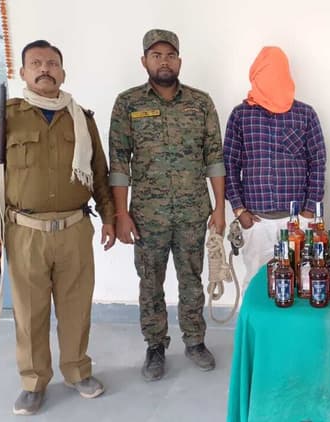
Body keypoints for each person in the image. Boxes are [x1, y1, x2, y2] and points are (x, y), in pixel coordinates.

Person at [0, 40, 115, 415]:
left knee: (75, 308)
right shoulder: (5, 117)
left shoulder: (81, 118)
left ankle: (77, 370)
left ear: (62, 72)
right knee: (30, 312)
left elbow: (99, 173)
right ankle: (34, 381)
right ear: (23, 73)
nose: (44, 69)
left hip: (74, 229)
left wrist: (110, 217)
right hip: (25, 232)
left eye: (52, 63)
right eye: (36, 63)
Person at [108, 29, 225, 381]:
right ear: (144, 61)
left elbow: (214, 158)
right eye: (156, 55)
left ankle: (195, 341)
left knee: (192, 280)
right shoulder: (128, 103)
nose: (164, 61)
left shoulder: (200, 103)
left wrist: (219, 208)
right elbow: (119, 163)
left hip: (192, 212)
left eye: (170, 55)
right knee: (150, 283)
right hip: (148, 216)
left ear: (179, 61)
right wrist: (121, 213)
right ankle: (155, 346)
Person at [223, 46, 326, 283]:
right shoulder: (241, 115)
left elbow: (318, 163)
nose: (273, 79)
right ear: (255, 75)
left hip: (296, 220)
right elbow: (229, 163)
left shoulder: (305, 114)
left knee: (300, 280)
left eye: (278, 73)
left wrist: (309, 212)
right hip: (256, 220)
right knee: (257, 281)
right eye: (266, 73)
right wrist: (239, 210)